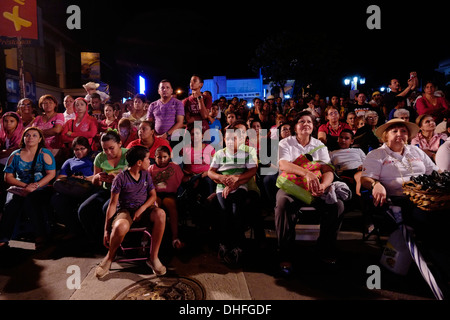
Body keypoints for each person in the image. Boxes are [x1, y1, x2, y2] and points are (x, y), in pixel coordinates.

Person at [360, 118, 450, 286]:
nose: (399, 135)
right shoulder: (377, 154)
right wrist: (376, 184)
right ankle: (443, 273)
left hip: (425, 198)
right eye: (394, 131)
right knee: (430, 223)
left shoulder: (416, 152)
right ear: (386, 135)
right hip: (396, 202)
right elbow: (365, 179)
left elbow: (434, 171)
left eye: (403, 131)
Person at [275, 111, 342, 273]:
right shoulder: (286, 143)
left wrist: (323, 186)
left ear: (313, 127)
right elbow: (283, 164)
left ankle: (324, 248)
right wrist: (306, 173)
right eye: (301, 121)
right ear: (295, 127)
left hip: (315, 188)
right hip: (292, 187)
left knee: (337, 205)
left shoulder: (319, 145)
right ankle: (285, 252)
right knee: (283, 203)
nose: (305, 124)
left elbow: (327, 169)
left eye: (309, 122)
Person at [95, 145, 166, 278]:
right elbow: (112, 204)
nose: (149, 161)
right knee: (121, 225)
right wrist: (106, 230)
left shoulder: (146, 175)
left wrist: (141, 209)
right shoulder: (120, 178)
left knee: (160, 213)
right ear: (139, 162)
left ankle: (153, 258)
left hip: (143, 209)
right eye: (147, 159)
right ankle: (109, 258)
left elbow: (153, 196)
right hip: (125, 210)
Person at [208, 121, 259, 266]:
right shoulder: (219, 153)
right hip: (221, 186)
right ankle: (224, 244)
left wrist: (237, 178)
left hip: (240, 186)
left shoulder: (246, 154)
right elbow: (210, 172)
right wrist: (220, 178)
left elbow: (252, 170)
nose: (230, 141)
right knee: (224, 212)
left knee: (237, 211)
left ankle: (238, 246)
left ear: (241, 139)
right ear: (224, 139)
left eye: (234, 138)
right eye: (228, 138)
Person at [0, 127, 56, 250]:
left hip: (41, 188)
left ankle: (40, 236)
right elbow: (8, 177)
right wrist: (25, 187)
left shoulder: (45, 154)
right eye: (27, 135)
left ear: (40, 139)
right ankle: (3, 238)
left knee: (32, 201)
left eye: (34, 135)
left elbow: (51, 174)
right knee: (10, 203)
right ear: (23, 138)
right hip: (20, 187)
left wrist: (35, 186)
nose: (30, 138)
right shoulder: (15, 155)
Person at [77, 130, 128, 245]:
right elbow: (96, 184)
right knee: (84, 210)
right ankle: (95, 240)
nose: (108, 152)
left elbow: (137, 179)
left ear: (120, 144)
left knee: (106, 208)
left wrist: (118, 179)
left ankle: (112, 239)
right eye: (105, 149)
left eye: (111, 148)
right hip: (106, 190)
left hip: (124, 192)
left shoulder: (129, 155)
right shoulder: (100, 157)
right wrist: (97, 178)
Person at [51, 136, 95, 236]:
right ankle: (74, 230)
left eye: (82, 149)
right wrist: (72, 178)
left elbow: (100, 173)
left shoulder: (94, 156)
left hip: (90, 185)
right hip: (74, 186)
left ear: (87, 148)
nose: (79, 152)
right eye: (76, 149)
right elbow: (60, 179)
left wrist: (85, 178)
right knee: (57, 199)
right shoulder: (69, 161)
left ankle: (89, 233)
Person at [149, 146, 184, 249]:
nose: (162, 159)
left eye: (165, 157)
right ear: (154, 157)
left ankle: (175, 237)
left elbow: (182, 179)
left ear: (169, 157)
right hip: (156, 194)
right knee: (154, 207)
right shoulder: (151, 169)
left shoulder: (175, 167)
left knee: (171, 206)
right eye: (159, 157)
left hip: (170, 194)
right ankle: (146, 239)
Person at [329, 129, 366, 196]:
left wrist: (363, 165)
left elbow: (367, 162)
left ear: (352, 141)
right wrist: (335, 170)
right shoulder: (332, 153)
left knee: (360, 174)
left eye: (346, 138)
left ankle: (358, 192)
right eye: (341, 137)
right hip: (344, 172)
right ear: (338, 139)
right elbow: (329, 166)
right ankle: (358, 192)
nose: (343, 140)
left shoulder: (358, 150)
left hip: (359, 169)